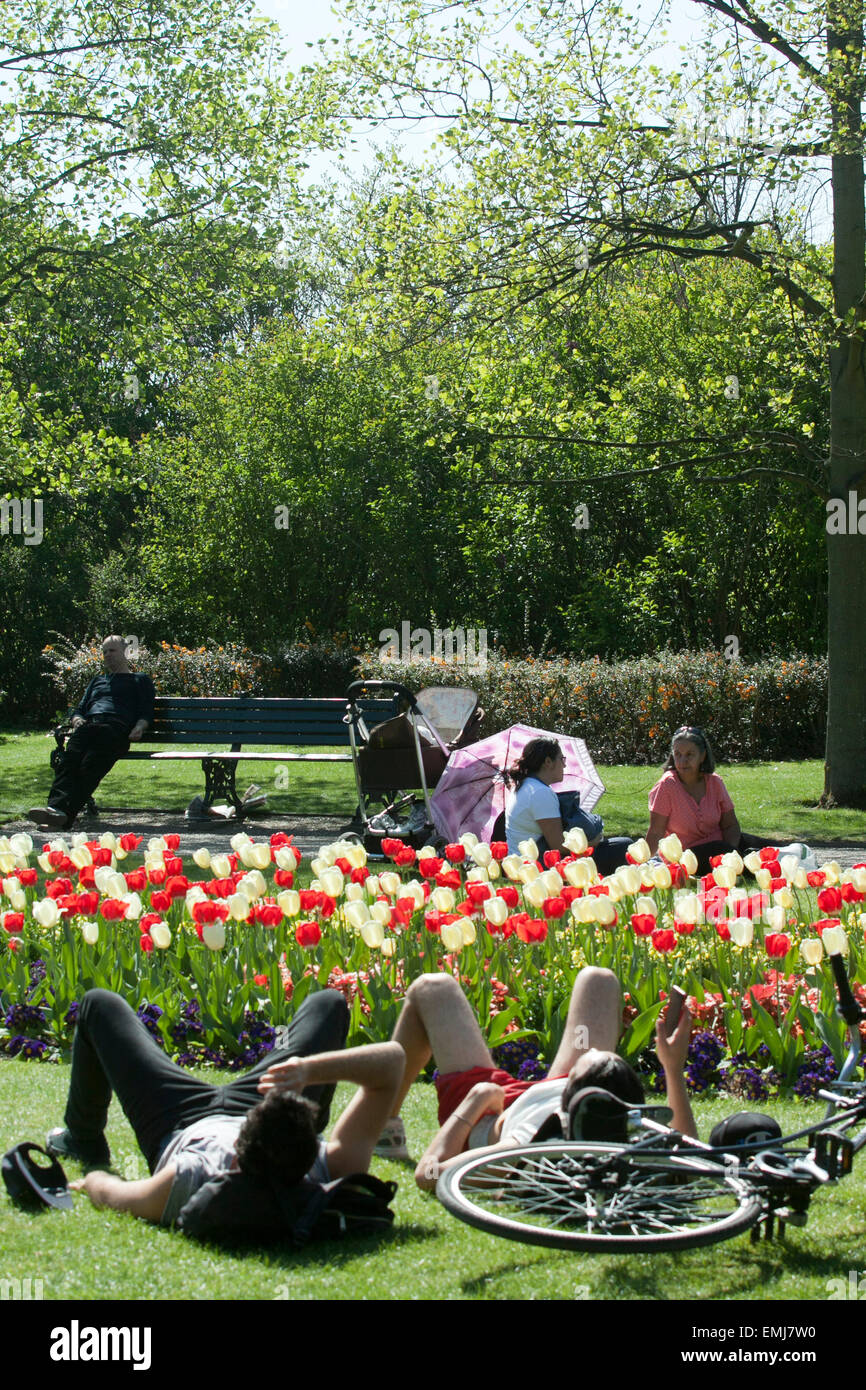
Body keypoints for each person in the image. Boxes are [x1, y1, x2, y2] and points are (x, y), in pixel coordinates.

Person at [50, 988, 404, 1227]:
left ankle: (82, 1139)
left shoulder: (190, 1177)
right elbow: (392, 1062)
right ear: (311, 1149)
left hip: (179, 1119)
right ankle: (287, 1111)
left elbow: (112, 1192)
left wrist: (92, 1178)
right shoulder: (335, 1165)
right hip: (264, 1096)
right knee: (329, 1002)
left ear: (236, 1158)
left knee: (98, 1003)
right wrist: (309, 1072)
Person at [374, 968, 696, 1190]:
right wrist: (672, 1067)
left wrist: (477, 1099)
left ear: (574, 1092)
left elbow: (430, 1174)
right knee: (599, 979)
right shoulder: (626, 1123)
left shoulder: (527, 1143)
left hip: (494, 1109)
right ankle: (590, 1071)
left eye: (591, 1062)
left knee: (432, 987)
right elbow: (689, 1158)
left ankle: (383, 1130)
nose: (596, 1052)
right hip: (554, 1090)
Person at [29, 635, 156, 830]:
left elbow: (146, 711)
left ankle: (62, 818)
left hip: (115, 729)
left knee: (89, 768)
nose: (107, 655)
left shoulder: (139, 680)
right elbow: (79, 709)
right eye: (104, 651)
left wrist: (139, 727)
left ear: (126, 652)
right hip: (88, 727)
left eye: (112, 651)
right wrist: (77, 719)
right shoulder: (97, 681)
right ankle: (55, 810)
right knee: (68, 762)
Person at [646, 726, 777, 877]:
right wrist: (643, 863)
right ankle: (753, 869)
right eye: (678, 754)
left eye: (689, 754)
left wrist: (732, 851)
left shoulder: (714, 782)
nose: (683, 761)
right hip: (687, 856)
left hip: (722, 845)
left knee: (763, 846)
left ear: (702, 756)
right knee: (720, 849)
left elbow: (730, 825)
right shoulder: (666, 786)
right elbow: (656, 831)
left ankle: (793, 854)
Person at [503, 736, 630, 876]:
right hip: (539, 868)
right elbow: (558, 846)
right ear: (548, 762)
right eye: (561, 759)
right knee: (623, 846)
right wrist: (592, 842)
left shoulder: (525, 786)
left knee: (616, 845)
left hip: (523, 863)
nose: (564, 765)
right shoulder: (540, 793)